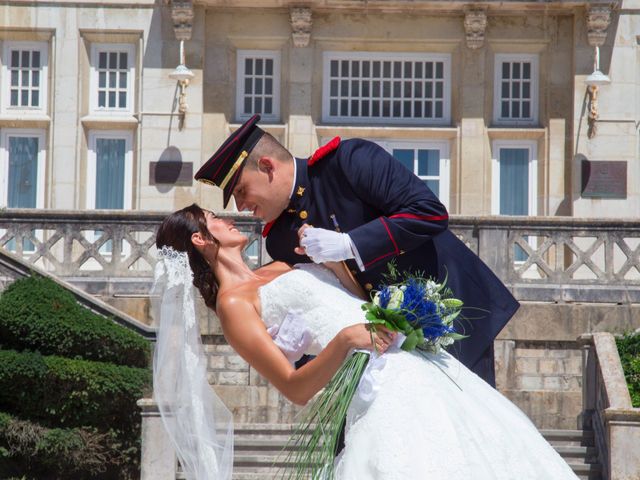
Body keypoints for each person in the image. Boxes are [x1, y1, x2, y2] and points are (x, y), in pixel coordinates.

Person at [153, 203, 579, 480]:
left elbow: (354, 303)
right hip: (374, 383)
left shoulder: (278, 265)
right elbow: (293, 387)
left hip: (415, 361)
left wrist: (337, 266)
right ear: (199, 239)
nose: (228, 217)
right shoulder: (233, 305)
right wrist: (345, 340)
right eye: (215, 218)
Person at [194, 114, 519, 387]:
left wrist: (351, 244)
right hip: (387, 351)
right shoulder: (279, 238)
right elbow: (327, 299)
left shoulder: (348, 162)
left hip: (454, 315)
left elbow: (429, 212)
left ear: (267, 167)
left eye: (241, 190)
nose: (241, 206)